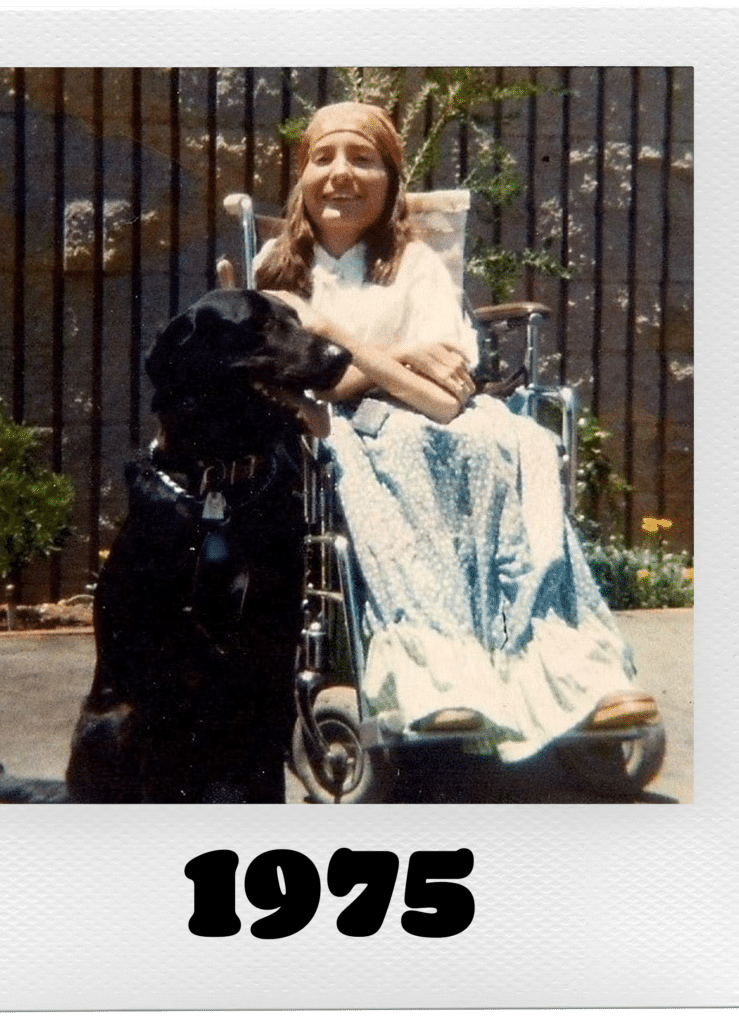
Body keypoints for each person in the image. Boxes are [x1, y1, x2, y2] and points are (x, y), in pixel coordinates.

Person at [255, 101, 659, 761]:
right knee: (411, 444)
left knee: (520, 441)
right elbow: (298, 383)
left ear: (391, 182)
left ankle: (575, 666)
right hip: (341, 432)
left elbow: (447, 390)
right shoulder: (277, 268)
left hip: (441, 420)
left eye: (363, 158)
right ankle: (439, 673)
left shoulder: (413, 262)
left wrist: (347, 349)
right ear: (303, 175)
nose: (340, 174)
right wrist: (397, 359)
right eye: (324, 157)